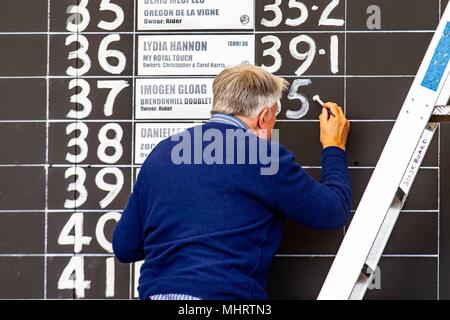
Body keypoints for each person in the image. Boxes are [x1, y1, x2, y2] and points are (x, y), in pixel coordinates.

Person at [112, 64, 351, 300]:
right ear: (263, 116)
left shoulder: (161, 153)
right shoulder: (264, 157)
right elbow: (333, 210)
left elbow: (125, 247)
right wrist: (334, 146)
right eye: (275, 116)